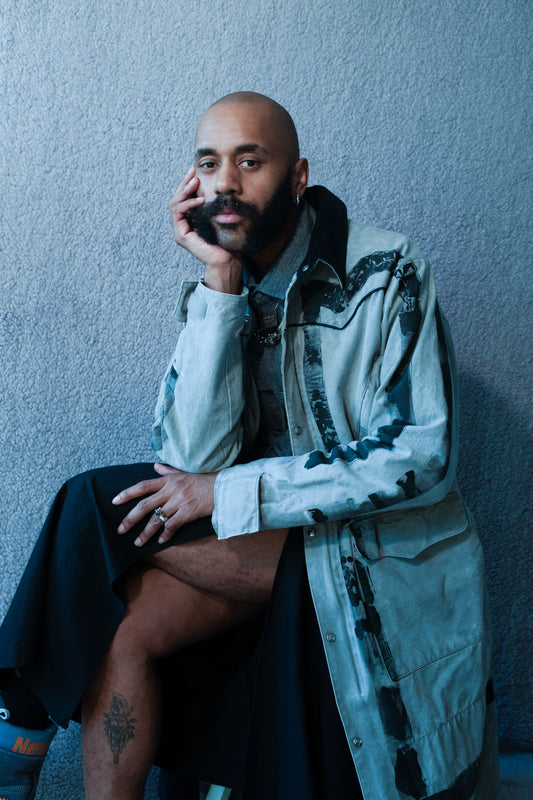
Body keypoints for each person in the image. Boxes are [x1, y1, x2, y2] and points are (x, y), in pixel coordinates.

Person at [0, 91, 500, 800]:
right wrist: (218, 283)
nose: (225, 181)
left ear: (297, 176)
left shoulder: (385, 270)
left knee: (92, 502)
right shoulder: (216, 282)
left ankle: (18, 725)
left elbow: (419, 456)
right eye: (208, 162)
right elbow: (189, 459)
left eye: (250, 161)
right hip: (266, 535)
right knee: (128, 630)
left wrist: (228, 493)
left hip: (366, 546)